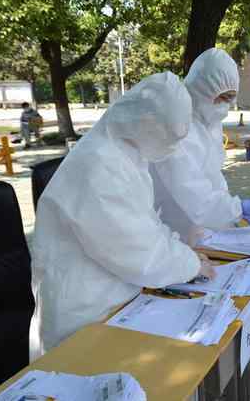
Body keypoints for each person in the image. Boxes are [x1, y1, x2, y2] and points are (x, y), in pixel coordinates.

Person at [30, 72, 215, 357]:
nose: (173, 147)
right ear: (147, 123)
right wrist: (190, 264)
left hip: (115, 302)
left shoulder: (126, 153)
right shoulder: (99, 165)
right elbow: (138, 250)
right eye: (169, 137)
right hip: (84, 318)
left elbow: (147, 223)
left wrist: (182, 252)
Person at [150, 48, 250, 245]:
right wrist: (243, 208)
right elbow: (194, 195)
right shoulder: (175, 126)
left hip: (194, 226)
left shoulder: (209, 121)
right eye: (222, 97)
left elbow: (213, 176)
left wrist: (232, 211)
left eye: (231, 98)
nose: (225, 105)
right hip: (163, 225)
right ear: (201, 89)